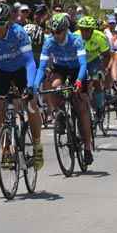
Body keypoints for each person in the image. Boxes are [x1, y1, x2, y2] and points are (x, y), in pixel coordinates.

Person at [0, 3, 44, 170]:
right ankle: (5, 148)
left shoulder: (18, 33)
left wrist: (30, 86)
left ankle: (37, 145)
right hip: (1, 71)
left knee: (31, 105)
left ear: (8, 23)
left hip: (21, 70)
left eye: (1, 23)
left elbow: (30, 62)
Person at [34, 13, 93, 164]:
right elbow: (41, 67)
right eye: (53, 32)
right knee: (54, 87)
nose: (56, 35)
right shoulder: (49, 42)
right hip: (60, 68)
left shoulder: (76, 40)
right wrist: (34, 86)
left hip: (77, 70)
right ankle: (59, 114)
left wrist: (79, 81)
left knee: (81, 107)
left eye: (59, 32)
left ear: (66, 29)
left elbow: (83, 64)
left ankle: (87, 147)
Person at [77, 16, 111, 118]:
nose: (84, 32)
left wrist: (103, 69)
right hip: (79, 61)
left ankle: (100, 107)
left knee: (96, 80)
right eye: (81, 29)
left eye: (87, 30)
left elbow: (106, 55)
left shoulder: (100, 37)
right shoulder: (75, 36)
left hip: (94, 60)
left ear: (92, 30)